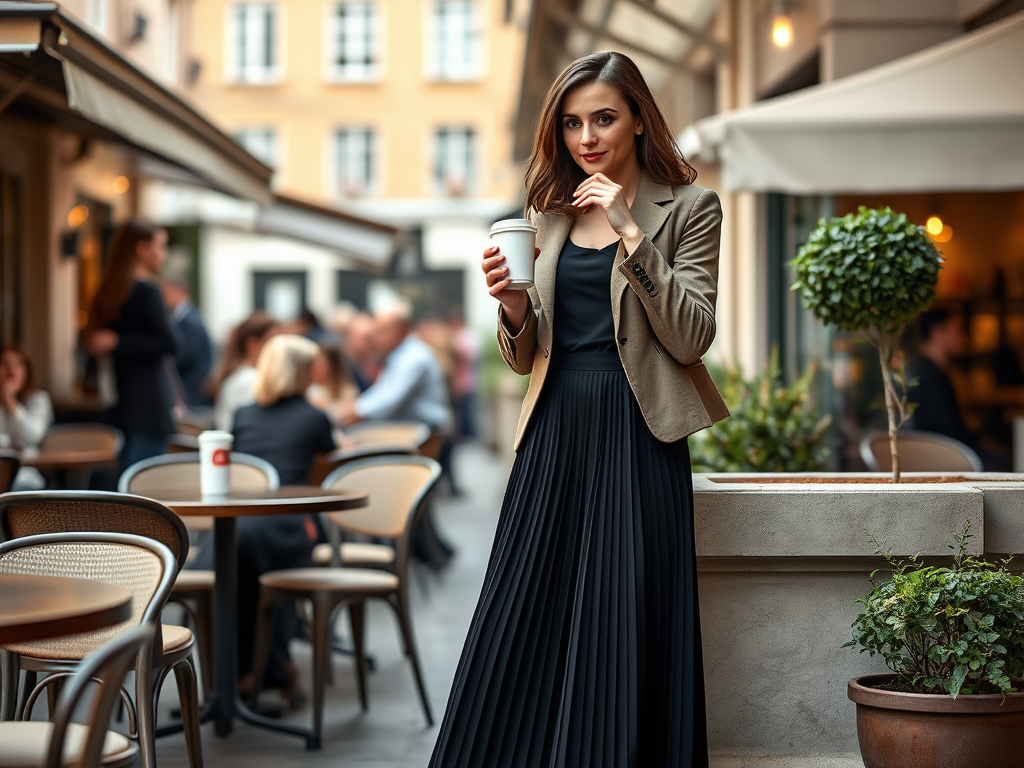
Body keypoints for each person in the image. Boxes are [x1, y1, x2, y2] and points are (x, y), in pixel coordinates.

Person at [428, 52, 727, 768]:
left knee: (626, 615)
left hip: (638, 431)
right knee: (522, 608)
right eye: (571, 123)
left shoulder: (688, 208)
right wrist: (511, 307)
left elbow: (691, 336)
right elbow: (529, 355)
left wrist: (630, 230)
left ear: (637, 121)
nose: (586, 137)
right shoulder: (546, 217)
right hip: (555, 428)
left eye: (603, 118)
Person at [231, 334, 337, 700]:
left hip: (234, 525)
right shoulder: (314, 417)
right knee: (271, 580)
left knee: (236, 571)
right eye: (310, 367)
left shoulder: (242, 415)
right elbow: (333, 459)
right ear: (300, 372)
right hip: (288, 524)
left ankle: (237, 676)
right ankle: (273, 670)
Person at [85, 220, 178, 470]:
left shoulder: (111, 290)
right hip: (146, 405)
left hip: (120, 402)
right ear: (141, 248)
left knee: (128, 482)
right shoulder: (145, 291)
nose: (163, 254)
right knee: (141, 486)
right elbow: (170, 342)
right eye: (160, 246)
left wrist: (116, 342)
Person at [907, 308, 1010, 470]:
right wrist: (979, 437)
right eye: (958, 330)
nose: (963, 337)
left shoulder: (927, 370)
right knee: (1003, 459)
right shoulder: (929, 375)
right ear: (937, 332)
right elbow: (949, 428)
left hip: (942, 449)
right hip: (942, 453)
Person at [339, 302, 453, 435]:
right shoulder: (399, 354)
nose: (378, 337)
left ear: (402, 330)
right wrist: (353, 407)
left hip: (429, 433)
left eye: (383, 330)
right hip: (417, 430)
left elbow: (390, 399)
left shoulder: (414, 357)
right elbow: (382, 392)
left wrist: (354, 409)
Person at [211, 312, 278, 432]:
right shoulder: (248, 380)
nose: (277, 349)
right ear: (252, 344)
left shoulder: (245, 375)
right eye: (272, 342)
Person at [0, 346, 54, 490]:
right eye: (5, 364)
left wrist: (10, 401)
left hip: (26, 475)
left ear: (27, 370)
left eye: (19, 364)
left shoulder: (39, 399)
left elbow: (31, 437)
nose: (12, 371)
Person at [162, 277, 213, 408]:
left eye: (167, 292)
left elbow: (186, 356)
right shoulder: (184, 317)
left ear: (180, 292)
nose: (164, 297)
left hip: (191, 390)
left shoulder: (189, 320)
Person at [307, 340, 359, 435]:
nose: (315, 366)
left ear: (332, 364)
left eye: (320, 362)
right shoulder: (309, 391)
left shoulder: (348, 391)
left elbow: (351, 419)